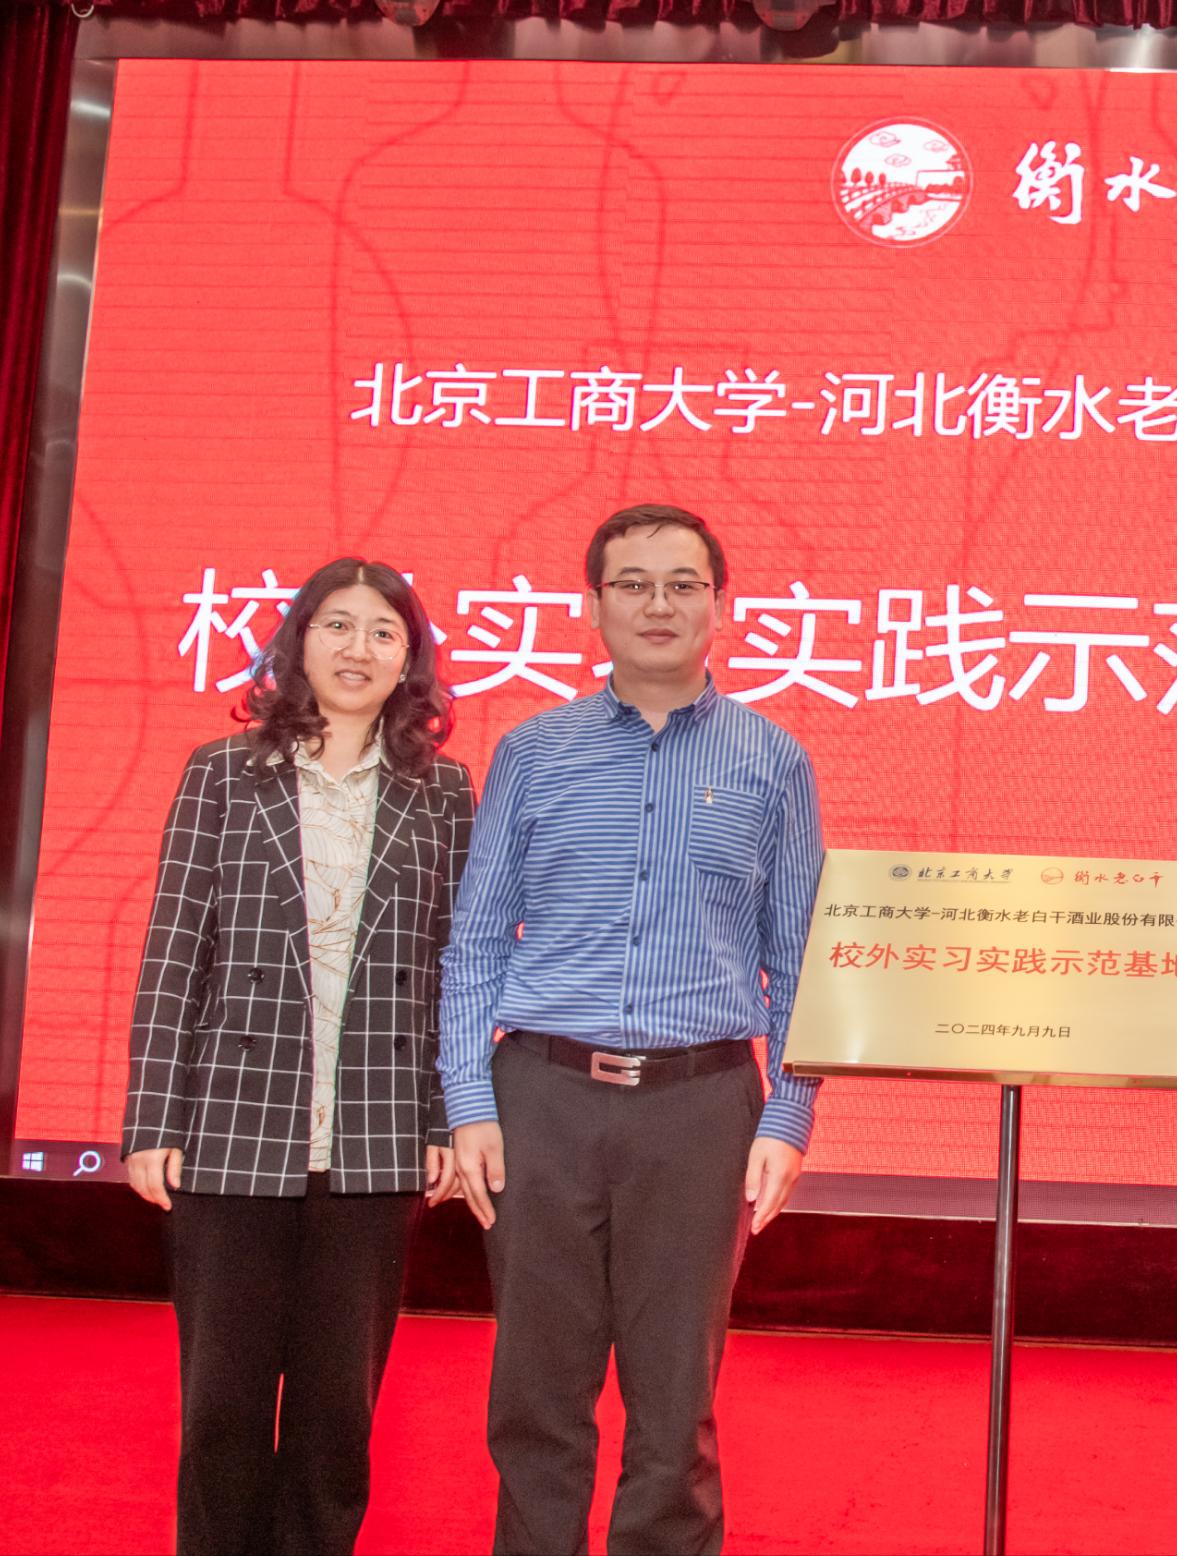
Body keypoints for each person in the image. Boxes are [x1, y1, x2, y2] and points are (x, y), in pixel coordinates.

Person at [441, 503, 824, 1556]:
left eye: (683, 583)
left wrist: (787, 1115)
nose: (660, 604)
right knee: (535, 1392)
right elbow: (476, 941)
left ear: (719, 605)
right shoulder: (533, 751)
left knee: (674, 1403)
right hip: (541, 1099)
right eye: (634, 583)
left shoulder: (774, 760)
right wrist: (468, 1100)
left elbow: (798, 958)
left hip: (702, 1107)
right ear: (594, 605)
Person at [121, 557, 476, 1556]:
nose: (358, 648)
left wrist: (446, 1117)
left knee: (335, 1414)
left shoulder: (443, 791)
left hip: (373, 1134)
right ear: (297, 642)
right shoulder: (221, 772)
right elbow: (175, 949)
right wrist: (152, 1118)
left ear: (410, 660)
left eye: (383, 632)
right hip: (232, 1125)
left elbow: (455, 965)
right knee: (222, 1405)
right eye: (337, 625)